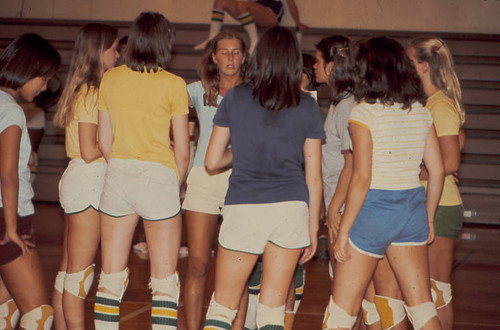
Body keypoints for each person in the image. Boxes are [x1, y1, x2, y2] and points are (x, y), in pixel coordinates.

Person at [203, 26, 324, 329]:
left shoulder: (235, 98)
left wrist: (240, 151)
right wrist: (312, 228)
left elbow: (212, 160)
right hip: (290, 210)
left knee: (223, 306)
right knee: (272, 308)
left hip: (244, 206)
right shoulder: (308, 104)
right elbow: (314, 176)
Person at [323, 37, 445, 330]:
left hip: (373, 212)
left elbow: (361, 177)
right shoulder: (420, 110)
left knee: (341, 313)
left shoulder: (363, 112)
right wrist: (428, 217)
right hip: (411, 210)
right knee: (423, 308)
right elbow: (437, 171)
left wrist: (344, 231)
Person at [93, 12, 189, 329]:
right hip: (158, 177)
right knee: (164, 283)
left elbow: (104, 142)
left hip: (118, 174)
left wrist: (124, 163)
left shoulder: (111, 78)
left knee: (110, 277)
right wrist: (172, 183)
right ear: (166, 43)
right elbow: (183, 151)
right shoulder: (175, 85)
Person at [51, 23, 119, 330]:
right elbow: (91, 151)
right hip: (88, 178)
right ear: (98, 51)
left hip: (79, 178)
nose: (117, 54)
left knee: (69, 270)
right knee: (79, 274)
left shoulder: (82, 89)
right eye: (113, 48)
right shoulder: (92, 93)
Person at [182, 30, 249, 330]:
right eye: (224, 52)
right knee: (198, 264)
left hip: (244, 181)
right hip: (204, 178)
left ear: (244, 57)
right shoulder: (196, 90)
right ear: (213, 56)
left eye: (236, 52)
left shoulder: (254, 92)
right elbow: (162, 112)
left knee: (237, 268)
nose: (230, 58)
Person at [0, 33, 60, 330]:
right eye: (43, 78)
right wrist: (11, 229)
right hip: (8, 217)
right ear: (27, 70)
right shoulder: (10, 111)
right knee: (38, 315)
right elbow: (8, 175)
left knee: (5, 307)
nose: (45, 87)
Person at [407, 37, 466, 330]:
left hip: (442, 206)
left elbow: (451, 162)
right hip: (431, 203)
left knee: (438, 293)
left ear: (424, 67)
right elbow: (457, 141)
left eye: (410, 62)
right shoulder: (431, 103)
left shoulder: (439, 105)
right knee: (427, 293)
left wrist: (409, 171)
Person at [194, 0, 308, 53]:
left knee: (241, 5)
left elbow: (291, 4)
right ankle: (211, 38)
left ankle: (254, 41)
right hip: (256, 12)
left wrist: (297, 22)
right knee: (220, 1)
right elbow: (250, 3)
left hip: (271, 13)